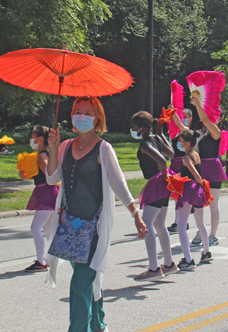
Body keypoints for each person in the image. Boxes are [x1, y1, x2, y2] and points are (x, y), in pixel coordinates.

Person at [46, 95, 147, 332]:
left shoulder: (104, 148)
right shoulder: (65, 146)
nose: (82, 116)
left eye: (88, 113)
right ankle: (98, 323)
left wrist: (135, 213)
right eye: (78, 111)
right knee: (87, 281)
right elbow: (52, 177)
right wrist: (52, 149)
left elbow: (118, 183)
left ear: (97, 118)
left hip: (94, 229)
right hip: (70, 226)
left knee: (80, 284)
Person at [130, 111, 180, 281]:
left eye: (134, 127)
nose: (132, 129)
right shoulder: (157, 138)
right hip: (162, 184)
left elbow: (163, 161)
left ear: (142, 128)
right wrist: (161, 134)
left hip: (156, 182)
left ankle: (153, 268)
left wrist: (164, 178)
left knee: (147, 224)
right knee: (160, 224)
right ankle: (169, 264)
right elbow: (172, 153)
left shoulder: (144, 143)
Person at [172, 96, 227, 247]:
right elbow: (182, 128)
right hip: (201, 170)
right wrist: (173, 111)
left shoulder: (216, 132)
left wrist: (197, 105)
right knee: (199, 204)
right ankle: (201, 230)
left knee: (213, 205)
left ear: (220, 119)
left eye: (215, 116)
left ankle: (213, 235)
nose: (211, 119)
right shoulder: (199, 134)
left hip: (213, 170)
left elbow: (205, 119)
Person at [20, 126, 59, 272]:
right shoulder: (41, 155)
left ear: (40, 139)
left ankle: (41, 261)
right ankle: (51, 257)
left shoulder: (42, 156)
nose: (31, 139)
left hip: (46, 193)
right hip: (46, 192)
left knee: (35, 227)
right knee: (47, 228)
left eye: (33, 136)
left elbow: (50, 176)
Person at [174, 130, 213, 269]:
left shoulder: (186, 158)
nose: (179, 143)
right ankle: (206, 252)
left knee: (181, 225)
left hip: (188, 190)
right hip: (198, 191)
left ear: (187, 143)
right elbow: (191, 173)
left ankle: (188, 259)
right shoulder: (195, 154)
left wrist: (197, 181)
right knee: (200, 223)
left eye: (180, 141)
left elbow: (196, 175)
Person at [167, 108, 192, 234]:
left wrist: (173, 111)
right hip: (174, 164)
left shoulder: (188, 132)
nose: (182, 118)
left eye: (185, 116)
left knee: (181, 195)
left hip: (183, 164)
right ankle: (179, 221)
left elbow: (178, 123)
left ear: (190, 119)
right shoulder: (177, 135)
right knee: (176, 196)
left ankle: (180, 221)